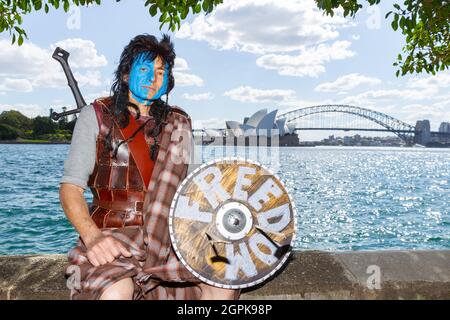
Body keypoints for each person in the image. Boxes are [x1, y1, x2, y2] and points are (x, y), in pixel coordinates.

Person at [59, 34, 240, 300]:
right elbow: (71, 188)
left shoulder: (178, 123)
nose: (152, 78)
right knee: (116, 292)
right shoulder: (95, 115)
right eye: (143, 69)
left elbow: (197, 190)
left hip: (171, 239)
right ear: (125, 74)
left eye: (160, 72)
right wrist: (93, 238)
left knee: (224, 282)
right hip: (113, 236)